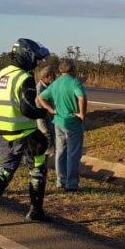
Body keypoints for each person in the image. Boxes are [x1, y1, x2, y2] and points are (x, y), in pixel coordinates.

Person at [0, 38, 51, 225]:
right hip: (26, 133)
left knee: (4, 171)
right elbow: (28, 109)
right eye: (36, 59)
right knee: (38, 169)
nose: (36, 63)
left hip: (3, 133)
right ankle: (35, 211)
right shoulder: (24, 78)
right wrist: (44, 111)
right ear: (27, 55)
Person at [38, 58, 87, 192]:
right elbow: (81, 97)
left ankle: (61, 180)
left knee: (60, 152)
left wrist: (51, 110)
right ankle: (71, 183)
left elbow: (41, 98)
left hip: (58, 122)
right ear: (72, 69)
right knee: (73, 153)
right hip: (72, 122)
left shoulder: (55, 83)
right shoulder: (75, 82)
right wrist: (82, 114)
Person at [35, 64, 57, 157]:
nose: (53, 77)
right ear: (47, 76)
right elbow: (39, 103)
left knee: (52, 131)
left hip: (48, 113)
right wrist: (50, 110)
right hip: (41, 114)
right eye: (52, 75)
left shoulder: (49, 85)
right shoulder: (40, 87)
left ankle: (52, 151)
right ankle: (46, 153)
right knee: (45, 133)